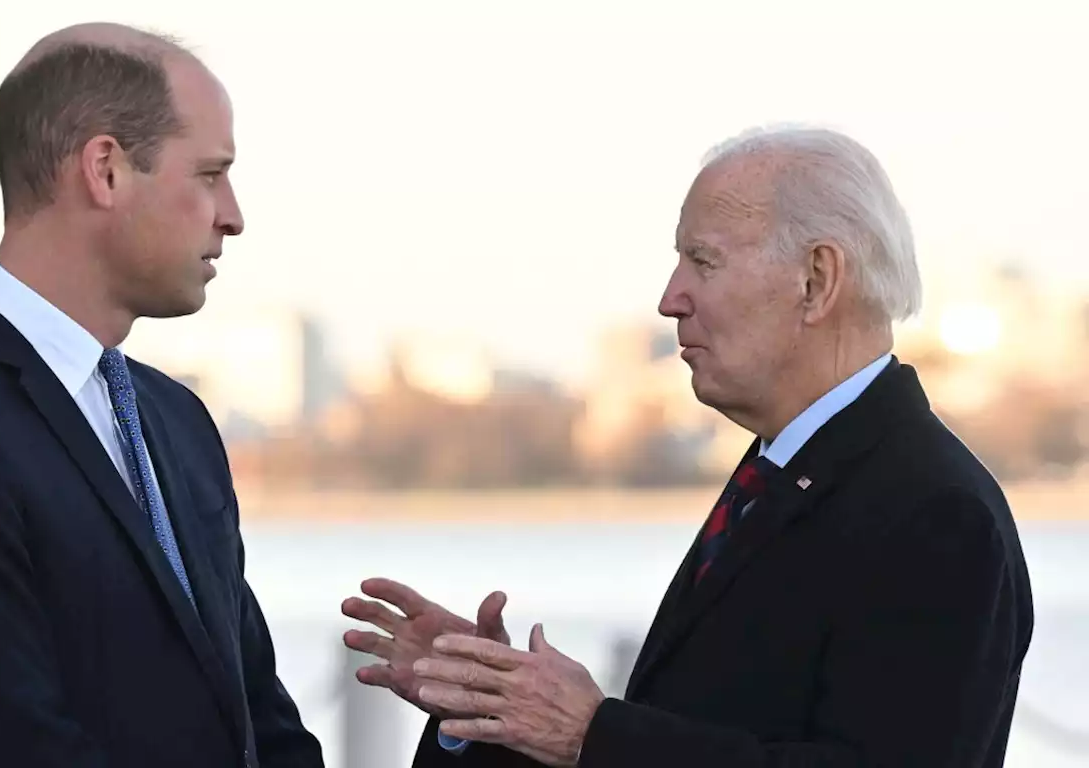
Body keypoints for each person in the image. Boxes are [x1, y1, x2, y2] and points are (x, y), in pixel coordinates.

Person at [342, 125, 1034, 767]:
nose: (671, 298)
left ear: (816, 281)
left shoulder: (935, 511)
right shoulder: (781, 475)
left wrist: (594, 732)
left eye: (703, 261)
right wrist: (490, 707)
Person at [0, 23, 323, 768]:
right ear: (105, 170)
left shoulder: (180, 421)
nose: (232, 214)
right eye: (208, 173)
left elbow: (262, 735)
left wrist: (474, 731)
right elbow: (7, 747)